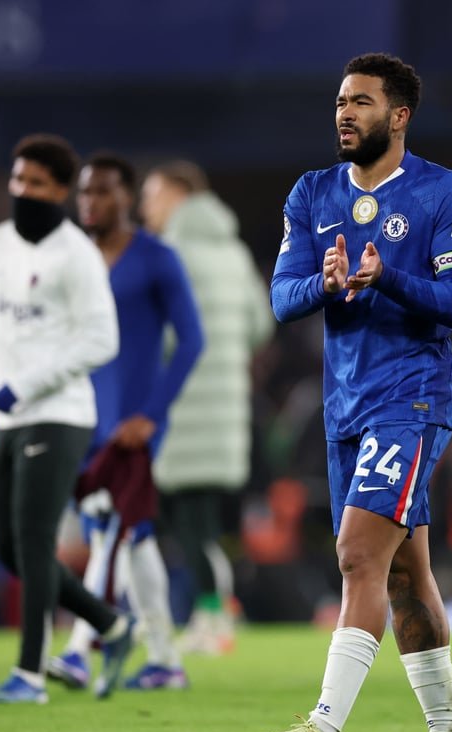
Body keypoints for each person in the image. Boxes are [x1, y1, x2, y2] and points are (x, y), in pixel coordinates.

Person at [253, 52, 452, 732]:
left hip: (412, 396)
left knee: (357, 556)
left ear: (399, 115)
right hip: (345, 405)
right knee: (406, 574)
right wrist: (322, 285)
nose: (345, 114)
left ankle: (323, 726)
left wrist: (392, 279)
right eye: (340, 104)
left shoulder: (445, 194)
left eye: (360, 102)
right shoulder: (312, 194)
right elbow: (282, 299)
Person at [0, 133, 136, 703]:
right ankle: (114, 626)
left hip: (60, 414)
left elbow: (103, 339)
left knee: (33, 537)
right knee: (9, 550)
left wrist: (23, 383)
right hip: (8, 419)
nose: (23, 191)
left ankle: (29, 676)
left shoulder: (76, 253)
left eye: (36, 184)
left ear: (61, 191)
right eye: (17, 180)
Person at [47, 152, 204, 693]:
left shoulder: (156, 258)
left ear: (126, 198)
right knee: (129, 538)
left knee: (113, 526)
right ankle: (164, 659)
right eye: (84, 192)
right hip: (80, 422)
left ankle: (79, 649)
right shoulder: (71, 259)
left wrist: (152, 416)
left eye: (103, 192)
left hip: (130, 429)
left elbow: (192, 341)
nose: (90, 201)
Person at [140, 160, 274, 656]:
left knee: (187, 523)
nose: (145, 206)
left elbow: (159, 337)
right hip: (226, 411)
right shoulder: (234, 253)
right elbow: (260, 324)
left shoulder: (167, 254)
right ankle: (209, 616)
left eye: (152, 195)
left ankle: (213, 616)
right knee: (202, 521)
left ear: (178, 196)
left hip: (183, 411)